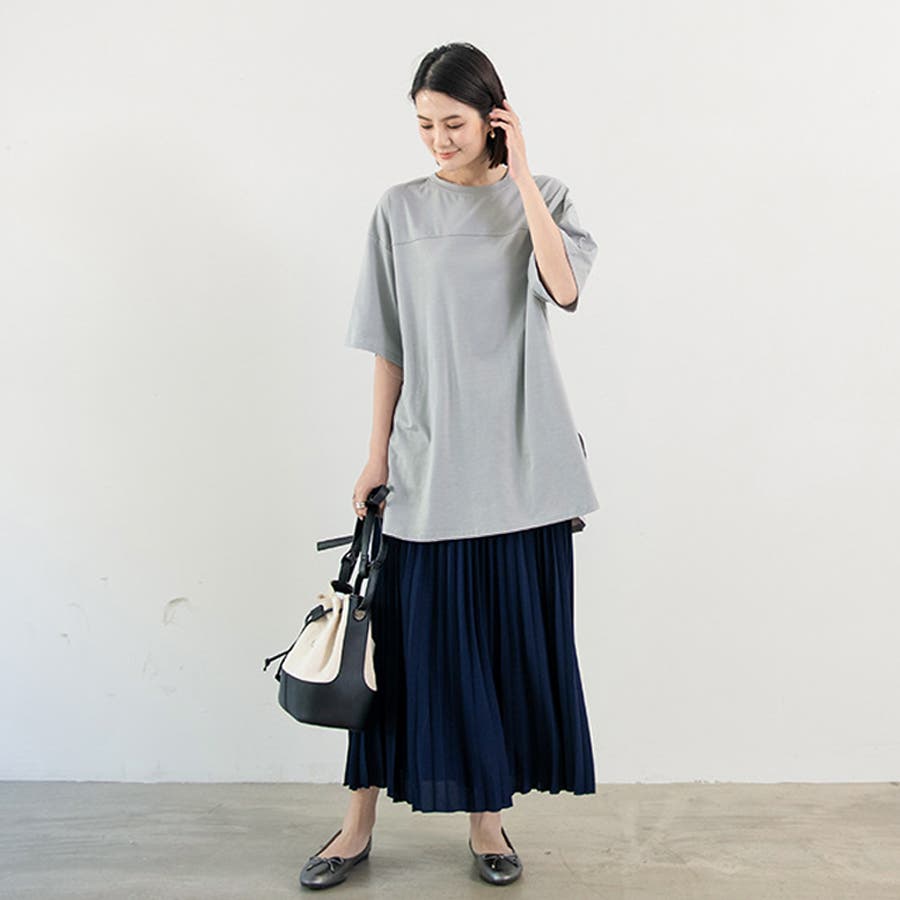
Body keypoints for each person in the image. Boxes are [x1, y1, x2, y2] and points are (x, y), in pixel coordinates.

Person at [299, 41, 601, 890]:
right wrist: (374, 455)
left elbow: (564, 289)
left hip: (521, 465)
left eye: (454, 122)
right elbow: (388, 344)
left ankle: (488, 825)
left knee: (499, 652)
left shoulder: (546, 198)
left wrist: (522, 173)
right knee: (389, 651)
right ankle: (355, 827)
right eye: (425, 124)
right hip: (427, 463)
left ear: (494, 117)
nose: (438, 138)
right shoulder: (399, 209)